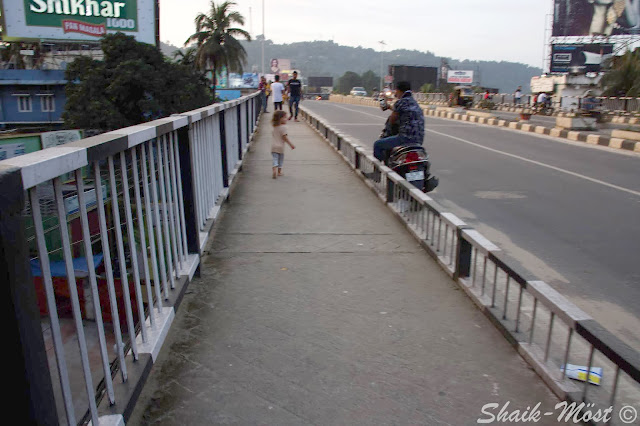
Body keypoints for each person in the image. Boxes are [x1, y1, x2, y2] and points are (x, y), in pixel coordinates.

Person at [373, 81, 425, 162]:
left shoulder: (400, 102)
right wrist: (386, 104)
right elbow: (397, 109)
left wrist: (383, 100)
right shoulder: (414, 103)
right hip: (419, 140)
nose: (395, 93)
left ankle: (380, 170)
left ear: (399, 90)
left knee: (377, 145)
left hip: (404, 139)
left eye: (396, 90)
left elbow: (392, 120)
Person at [271, 110, 296, 179]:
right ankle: (279, 172)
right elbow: (285, 138)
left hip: (273, 147)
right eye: (285, 117)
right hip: (280, 147)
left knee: (275, 159)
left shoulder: (274, 127)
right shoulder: (283, 128)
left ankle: (274, 169)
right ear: (280, 119)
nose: (286, 119)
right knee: (280, 160)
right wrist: (291, 145)